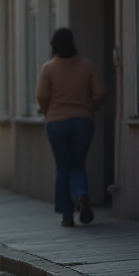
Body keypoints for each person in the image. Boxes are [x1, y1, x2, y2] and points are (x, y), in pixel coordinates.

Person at [36, 27, 107, 227]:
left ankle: (67, 215)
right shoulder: (87, 67)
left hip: (57, 123)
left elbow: (41, 95)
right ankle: (81, 196)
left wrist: (47, 111)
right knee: (77, 164)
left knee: (62, 167)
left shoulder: (48, 69)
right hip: (83, 122)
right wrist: (91, 108)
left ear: (54, 47)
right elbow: (100, 92)